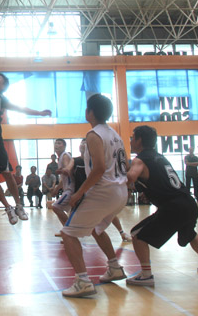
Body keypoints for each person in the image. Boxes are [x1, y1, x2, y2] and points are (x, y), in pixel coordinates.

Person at [0, 37, 51, 225]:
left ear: (3, 86)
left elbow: (21, 109)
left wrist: (39, 113)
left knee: (6, 173)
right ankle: (7, 207)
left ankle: (19, 205)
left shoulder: (2, 99)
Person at [125, 125, 198, 287]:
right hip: (188, 203)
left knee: (137, 234)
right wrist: (148, 191)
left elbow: (130, 178)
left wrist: (110, 177)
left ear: (139, 140)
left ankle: (146, 275)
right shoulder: (160, 157)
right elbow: (161, 180)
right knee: (190, 234)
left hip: (174, 207)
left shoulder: (140, 159)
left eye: (133, 138)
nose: (131, 141)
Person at [60, 94, 129, 298]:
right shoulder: (115, 134)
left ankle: (82, 281)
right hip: (120, 191)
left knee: (68, 233)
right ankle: (114, 267)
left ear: (89, 112)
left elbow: (98, 168)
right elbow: (124, 163)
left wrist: (79, 193)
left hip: (103, 191)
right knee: (96, 229)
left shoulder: (93, 134)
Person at [49, 139, 73, 233]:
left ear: (64, 146)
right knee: (70, 212)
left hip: (70, 189)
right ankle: (67, 231)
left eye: (59, 143)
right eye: (55, 143)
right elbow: (63, 180)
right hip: (67, 188)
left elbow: (68, 170)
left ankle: (68, 231)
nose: (56, 145)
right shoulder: (60, 158)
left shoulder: (65, 156)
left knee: (56, 207)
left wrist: (63, 170)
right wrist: (56, 189)